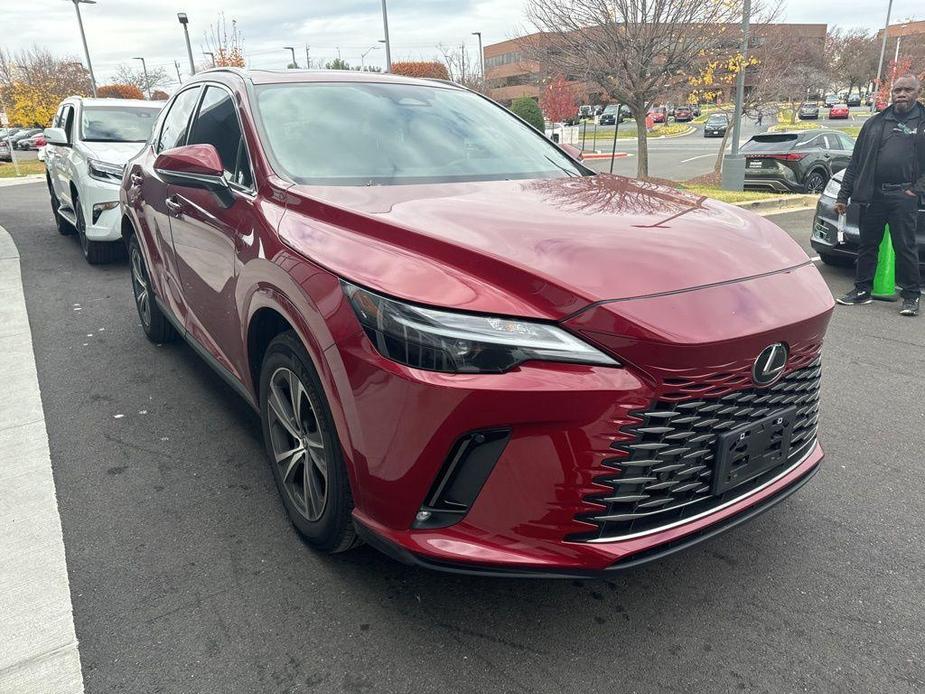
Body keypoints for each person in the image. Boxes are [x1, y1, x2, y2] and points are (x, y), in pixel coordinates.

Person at [835, 74, 925, 317]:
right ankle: (862, 290)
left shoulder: (922, 122)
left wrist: (914, 190)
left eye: (907, 90)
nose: (901, 94)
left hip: (903, 195)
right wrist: (843, 196)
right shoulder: (875, 123)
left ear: (917, 93)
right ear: (891, 93)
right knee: (867, 245)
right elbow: (856, 162)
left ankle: (911, 295)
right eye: (897, 90)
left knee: (905, 247)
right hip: (873, 195)